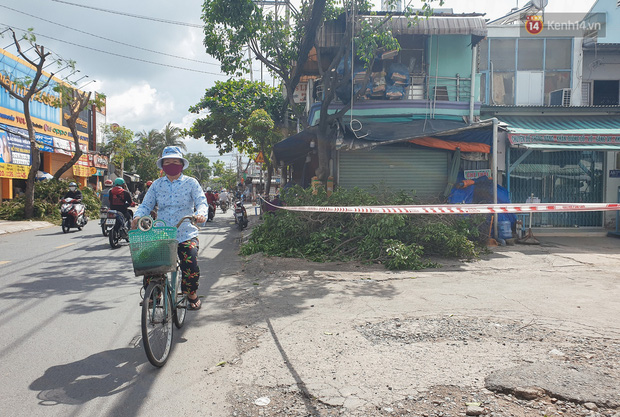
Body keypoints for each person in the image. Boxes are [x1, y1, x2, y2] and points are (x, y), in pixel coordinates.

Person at [132, 146, 207, 310]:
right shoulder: (157, 185)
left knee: (191, 262)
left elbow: (201, 202)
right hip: (162, 232)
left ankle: (191, 293)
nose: (171, 164)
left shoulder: (191, 183)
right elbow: (145, 205)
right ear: (162, 165)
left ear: (181, 164)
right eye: (167, 162)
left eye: (175, 161)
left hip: (186, 232)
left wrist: (200, 214)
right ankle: (153, 293)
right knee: (150, 262)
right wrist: (138, 217)